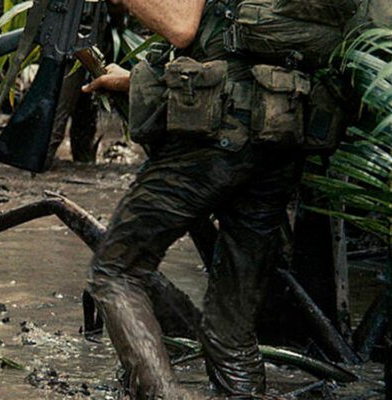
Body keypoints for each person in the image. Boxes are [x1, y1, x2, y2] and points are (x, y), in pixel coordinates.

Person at [82, 0, 309, 397]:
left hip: (221, 134)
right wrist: (134, 80)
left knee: (117, 272)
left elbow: (182, 26)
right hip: (280, 129)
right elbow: (233, 41)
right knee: (231, 328)